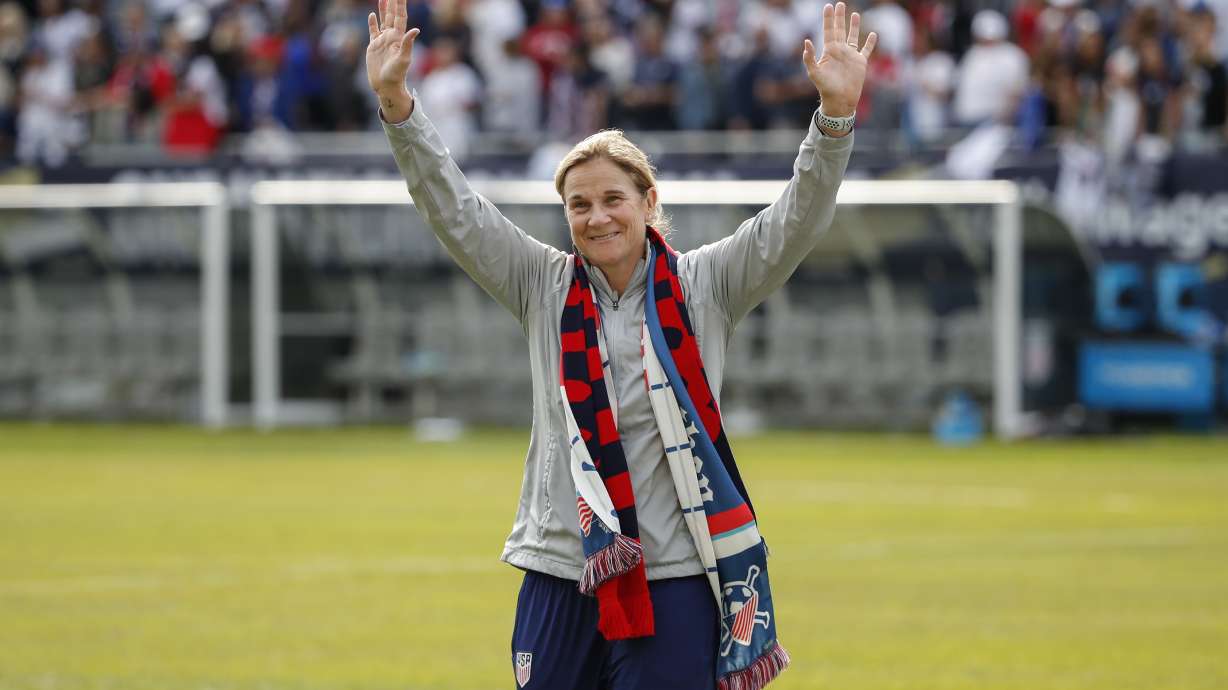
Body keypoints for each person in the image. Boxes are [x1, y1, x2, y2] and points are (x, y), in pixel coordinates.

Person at [365, 1, 874, 687]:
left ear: (647, 201)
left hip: (673, 576)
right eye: (579, 204)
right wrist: (399, 106)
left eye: (612, 198)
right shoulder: (541, 285)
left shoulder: (706, 285)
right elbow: (453, 209)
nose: (596, 216)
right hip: (559, 569)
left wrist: (834, 121)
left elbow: (797, 219)